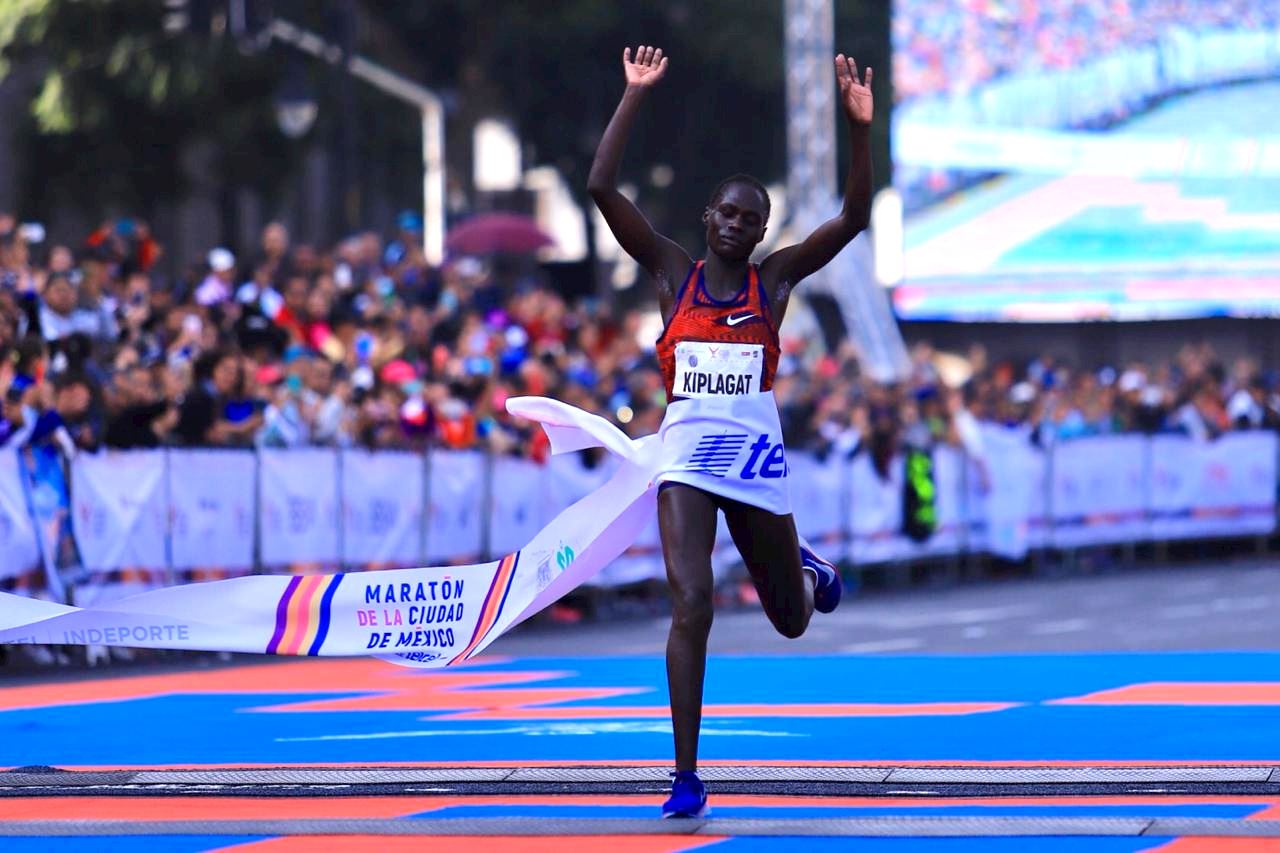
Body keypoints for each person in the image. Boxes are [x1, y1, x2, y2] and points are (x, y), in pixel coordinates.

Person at [588, 44, 874, 818]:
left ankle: (803, 565)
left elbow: (854, 217)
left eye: (752, 219)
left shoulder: (772, 281)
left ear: (759, 231)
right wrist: (633, 94)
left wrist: (858, 130)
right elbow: (601, 186)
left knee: (790, 620)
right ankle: (684, 774)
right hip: (684, 460)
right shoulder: (670, 272)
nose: (738, 226)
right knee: (693, 603)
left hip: (752, 466)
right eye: (728, 213)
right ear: (707, 218)